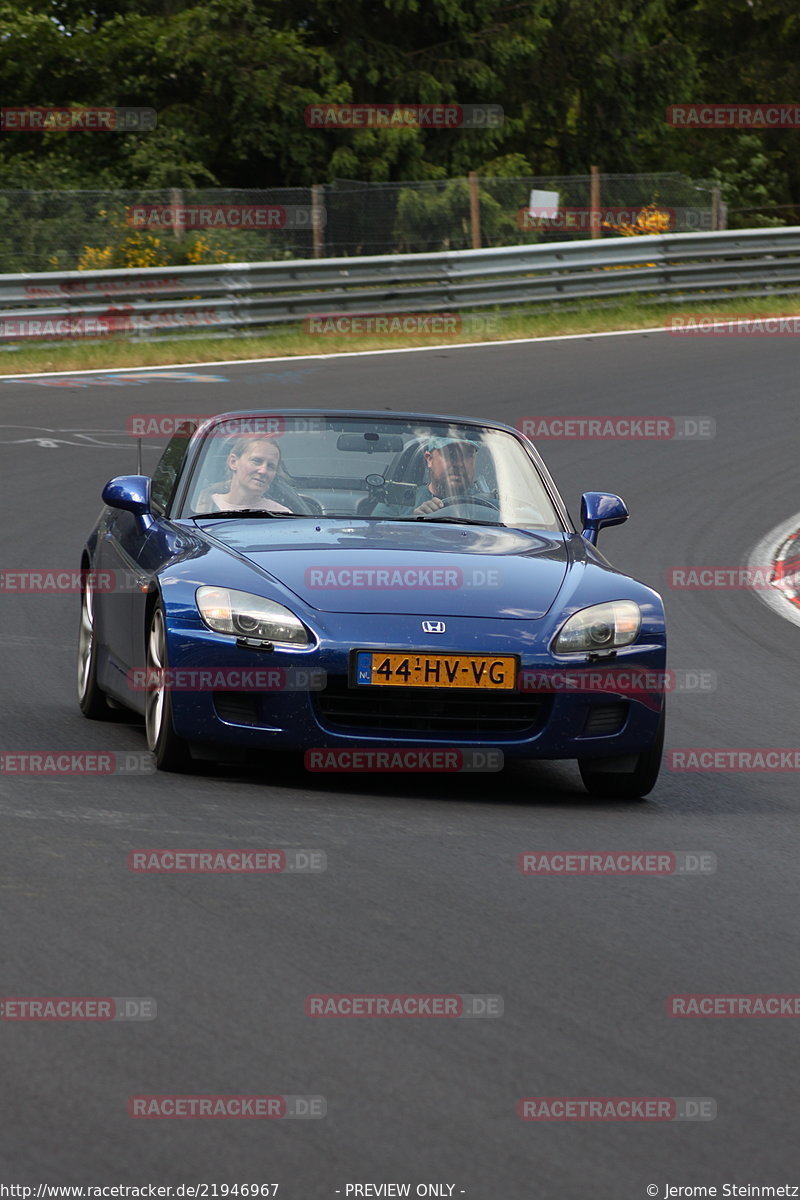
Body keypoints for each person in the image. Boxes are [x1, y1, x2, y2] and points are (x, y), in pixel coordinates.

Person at [371, 435, 489, 517]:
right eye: (450, 454)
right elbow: (376, 538)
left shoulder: (490, 506)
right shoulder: (396, 502)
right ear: (429, 459)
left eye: (467, 455)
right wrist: (413, 522)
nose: (459, 463)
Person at [198, 437, 292, 513]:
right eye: (256, 461)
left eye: (271, 466)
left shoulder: (281, 515)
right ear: (233, 462)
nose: (263, 471)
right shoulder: (200, 506)